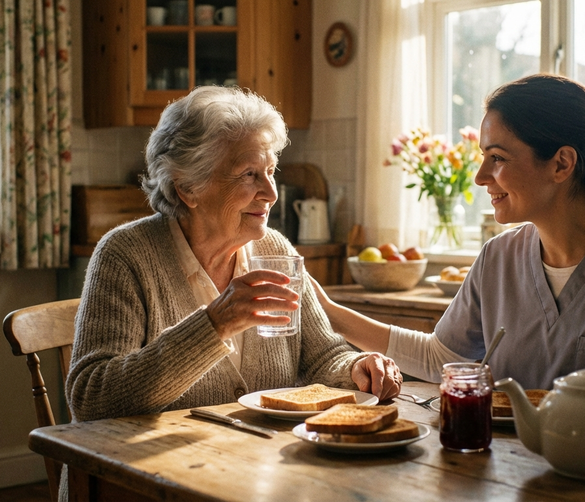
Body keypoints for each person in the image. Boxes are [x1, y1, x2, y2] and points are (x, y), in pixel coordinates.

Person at [315, 74, 585, 423]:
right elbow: (443, 360)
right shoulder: (498, 258)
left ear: (562, 164)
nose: (479, 177)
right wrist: (329, 313)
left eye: (497, 158)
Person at [65, 86, 402, 426]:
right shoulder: (125, 255)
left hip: (250, 467)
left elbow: (323, 356)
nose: (270, 194)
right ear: (188, 188)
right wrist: (214, 325)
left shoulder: (275, 249)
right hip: (141, 473)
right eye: (248, 175)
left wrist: (356, 369)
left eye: (270, 171)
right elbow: (91, 398)